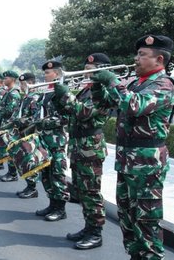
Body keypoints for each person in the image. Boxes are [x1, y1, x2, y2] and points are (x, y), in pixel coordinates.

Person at [91, 35, 174, 260]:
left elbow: (133, 106)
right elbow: (103, 105)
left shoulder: (163, 84)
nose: (135, 59)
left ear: (159, 59)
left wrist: (111, 80)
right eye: (137, 54)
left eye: (142, 55)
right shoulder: (134, 83)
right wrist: (98, 86)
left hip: (148, 164)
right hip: (127, 162)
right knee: (127, 217)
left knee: (146, 220)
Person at [52, 53, 112, 249]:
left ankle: (96, 233)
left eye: (92, 70)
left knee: (91, 192)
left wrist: (66, 95)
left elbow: (85, 113)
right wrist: (58, 98)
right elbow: (69, 113)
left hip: (91, 147)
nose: (88, 73)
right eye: (86, 69)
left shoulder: (103, 92)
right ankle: (88, 227)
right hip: (79, 145)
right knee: (81, 191)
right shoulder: (85, 90)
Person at [34, 60, 70, 222]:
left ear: (57, 73)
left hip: (56, 141)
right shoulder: (46, 92)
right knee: (46, 174)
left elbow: (66, 117)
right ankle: (52, 204)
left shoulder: (62, 92)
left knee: (57, 174)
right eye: (45, 73)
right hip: (43, 139)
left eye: (48, 73)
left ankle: (60, 208)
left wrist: (45, 122)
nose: (45, 75)